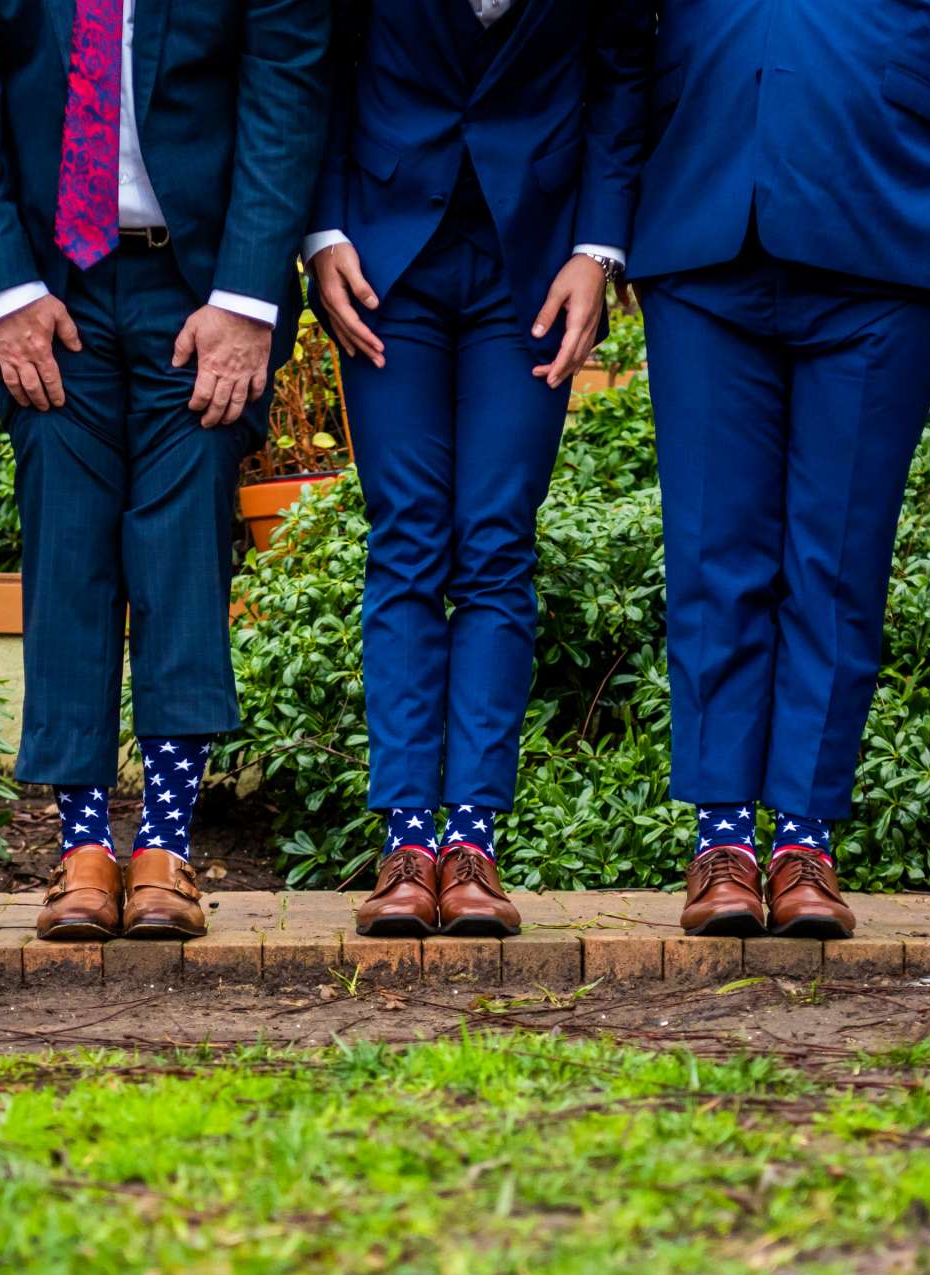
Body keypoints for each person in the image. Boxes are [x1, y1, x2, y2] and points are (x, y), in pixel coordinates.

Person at [634, 0, 930, 942]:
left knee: (837, 562)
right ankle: (721, 839)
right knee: (713, 552)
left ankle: (804, 842)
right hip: (703, 204)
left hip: (888, 228)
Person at [0, 0, 329, 943]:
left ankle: (167, 849)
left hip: (202, 291)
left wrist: (246, 298)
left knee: (182, 546)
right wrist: (4, 290)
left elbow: (286, 93)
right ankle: (81, 852)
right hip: (45, 288)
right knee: (66, 549)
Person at [310, 0, 649, 942]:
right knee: (407, 537)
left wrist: (598, 246)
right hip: (385, 260)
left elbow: (621, 74)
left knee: (497, 543)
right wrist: (321, 231)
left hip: (534, 264)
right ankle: (408, 844)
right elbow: (321, 61)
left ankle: (472, 846)